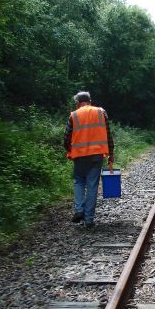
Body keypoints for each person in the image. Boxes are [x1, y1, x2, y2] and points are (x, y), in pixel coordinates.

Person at [63, 91, 114, 227]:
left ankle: (79, 210)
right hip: (97, 155)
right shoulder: (101, 112)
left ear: (78, 103)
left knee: (79, 182)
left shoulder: (74, 115)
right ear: (90, 101)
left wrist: (69, 150)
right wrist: (111, 153)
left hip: (79, 156)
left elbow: (66, 138)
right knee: (92, 185)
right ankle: (89, 219)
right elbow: (108, 134)